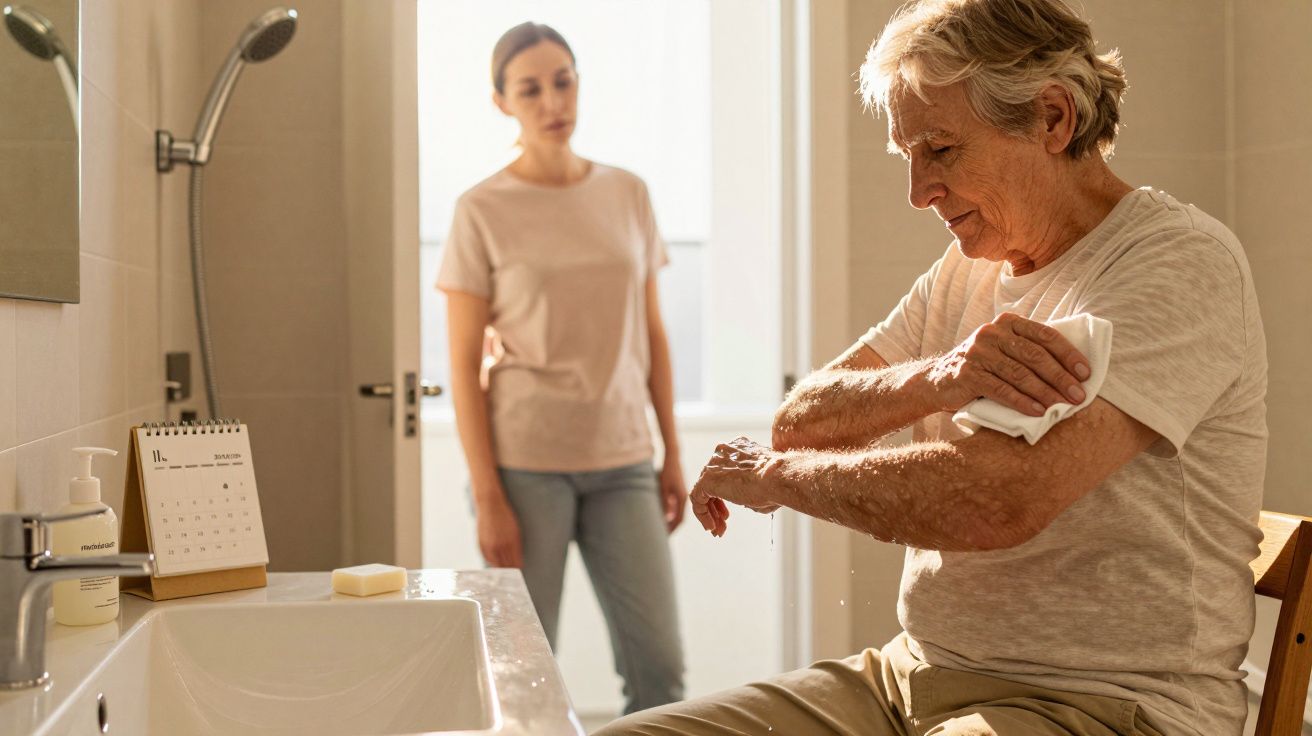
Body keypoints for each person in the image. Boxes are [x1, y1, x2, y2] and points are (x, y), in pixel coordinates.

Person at [599, 0, 1266, 734]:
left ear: (1052, 120)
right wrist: (939, 376)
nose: (919, 193)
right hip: (908, 676)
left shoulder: (1175, 263)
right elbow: (800, 422)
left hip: (1103, 704)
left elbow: (992, 501)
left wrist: (773, 481)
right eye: (908, 157)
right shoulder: (966, 271)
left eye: (941, 151)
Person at [437, 22, 686, 715]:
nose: (552, 101)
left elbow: (653, 334)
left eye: (563, 80)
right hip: (525, 467)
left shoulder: (629, 193)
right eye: (531, 88)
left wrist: (671, 452)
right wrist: (488, 495)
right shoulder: (481, 209)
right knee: (524, 679)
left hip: (624, 460)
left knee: (660, 672)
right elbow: (461, 364)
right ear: (502, 103)